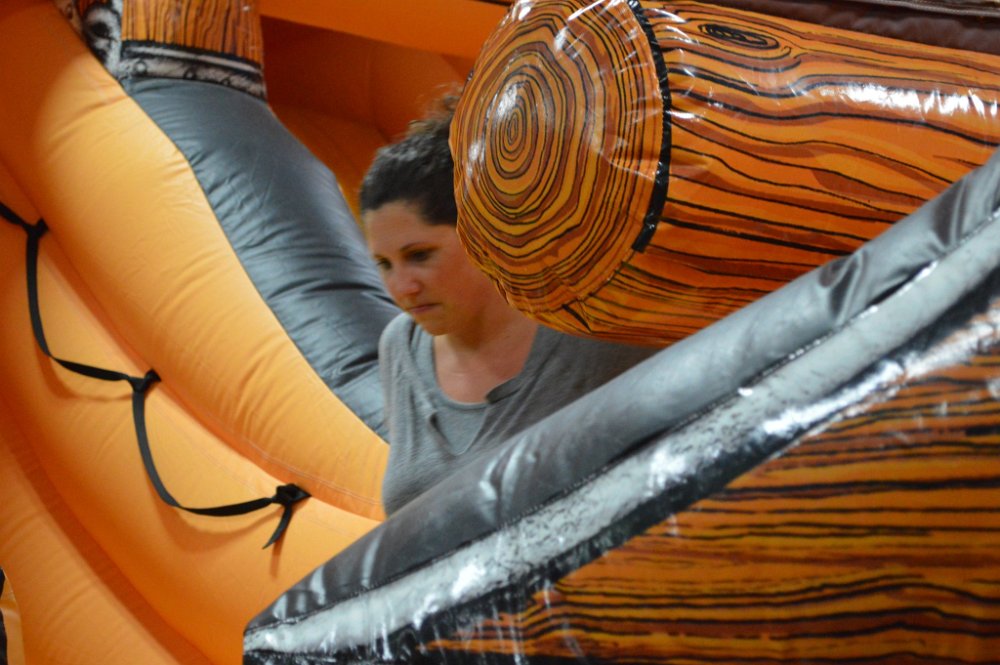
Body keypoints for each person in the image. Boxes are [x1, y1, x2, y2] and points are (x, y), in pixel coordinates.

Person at [360, 93, 658, 515]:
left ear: (484, 231)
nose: (402, 287)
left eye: (420, 255)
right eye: (384, 264)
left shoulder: (589, 323)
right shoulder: (400, 345)